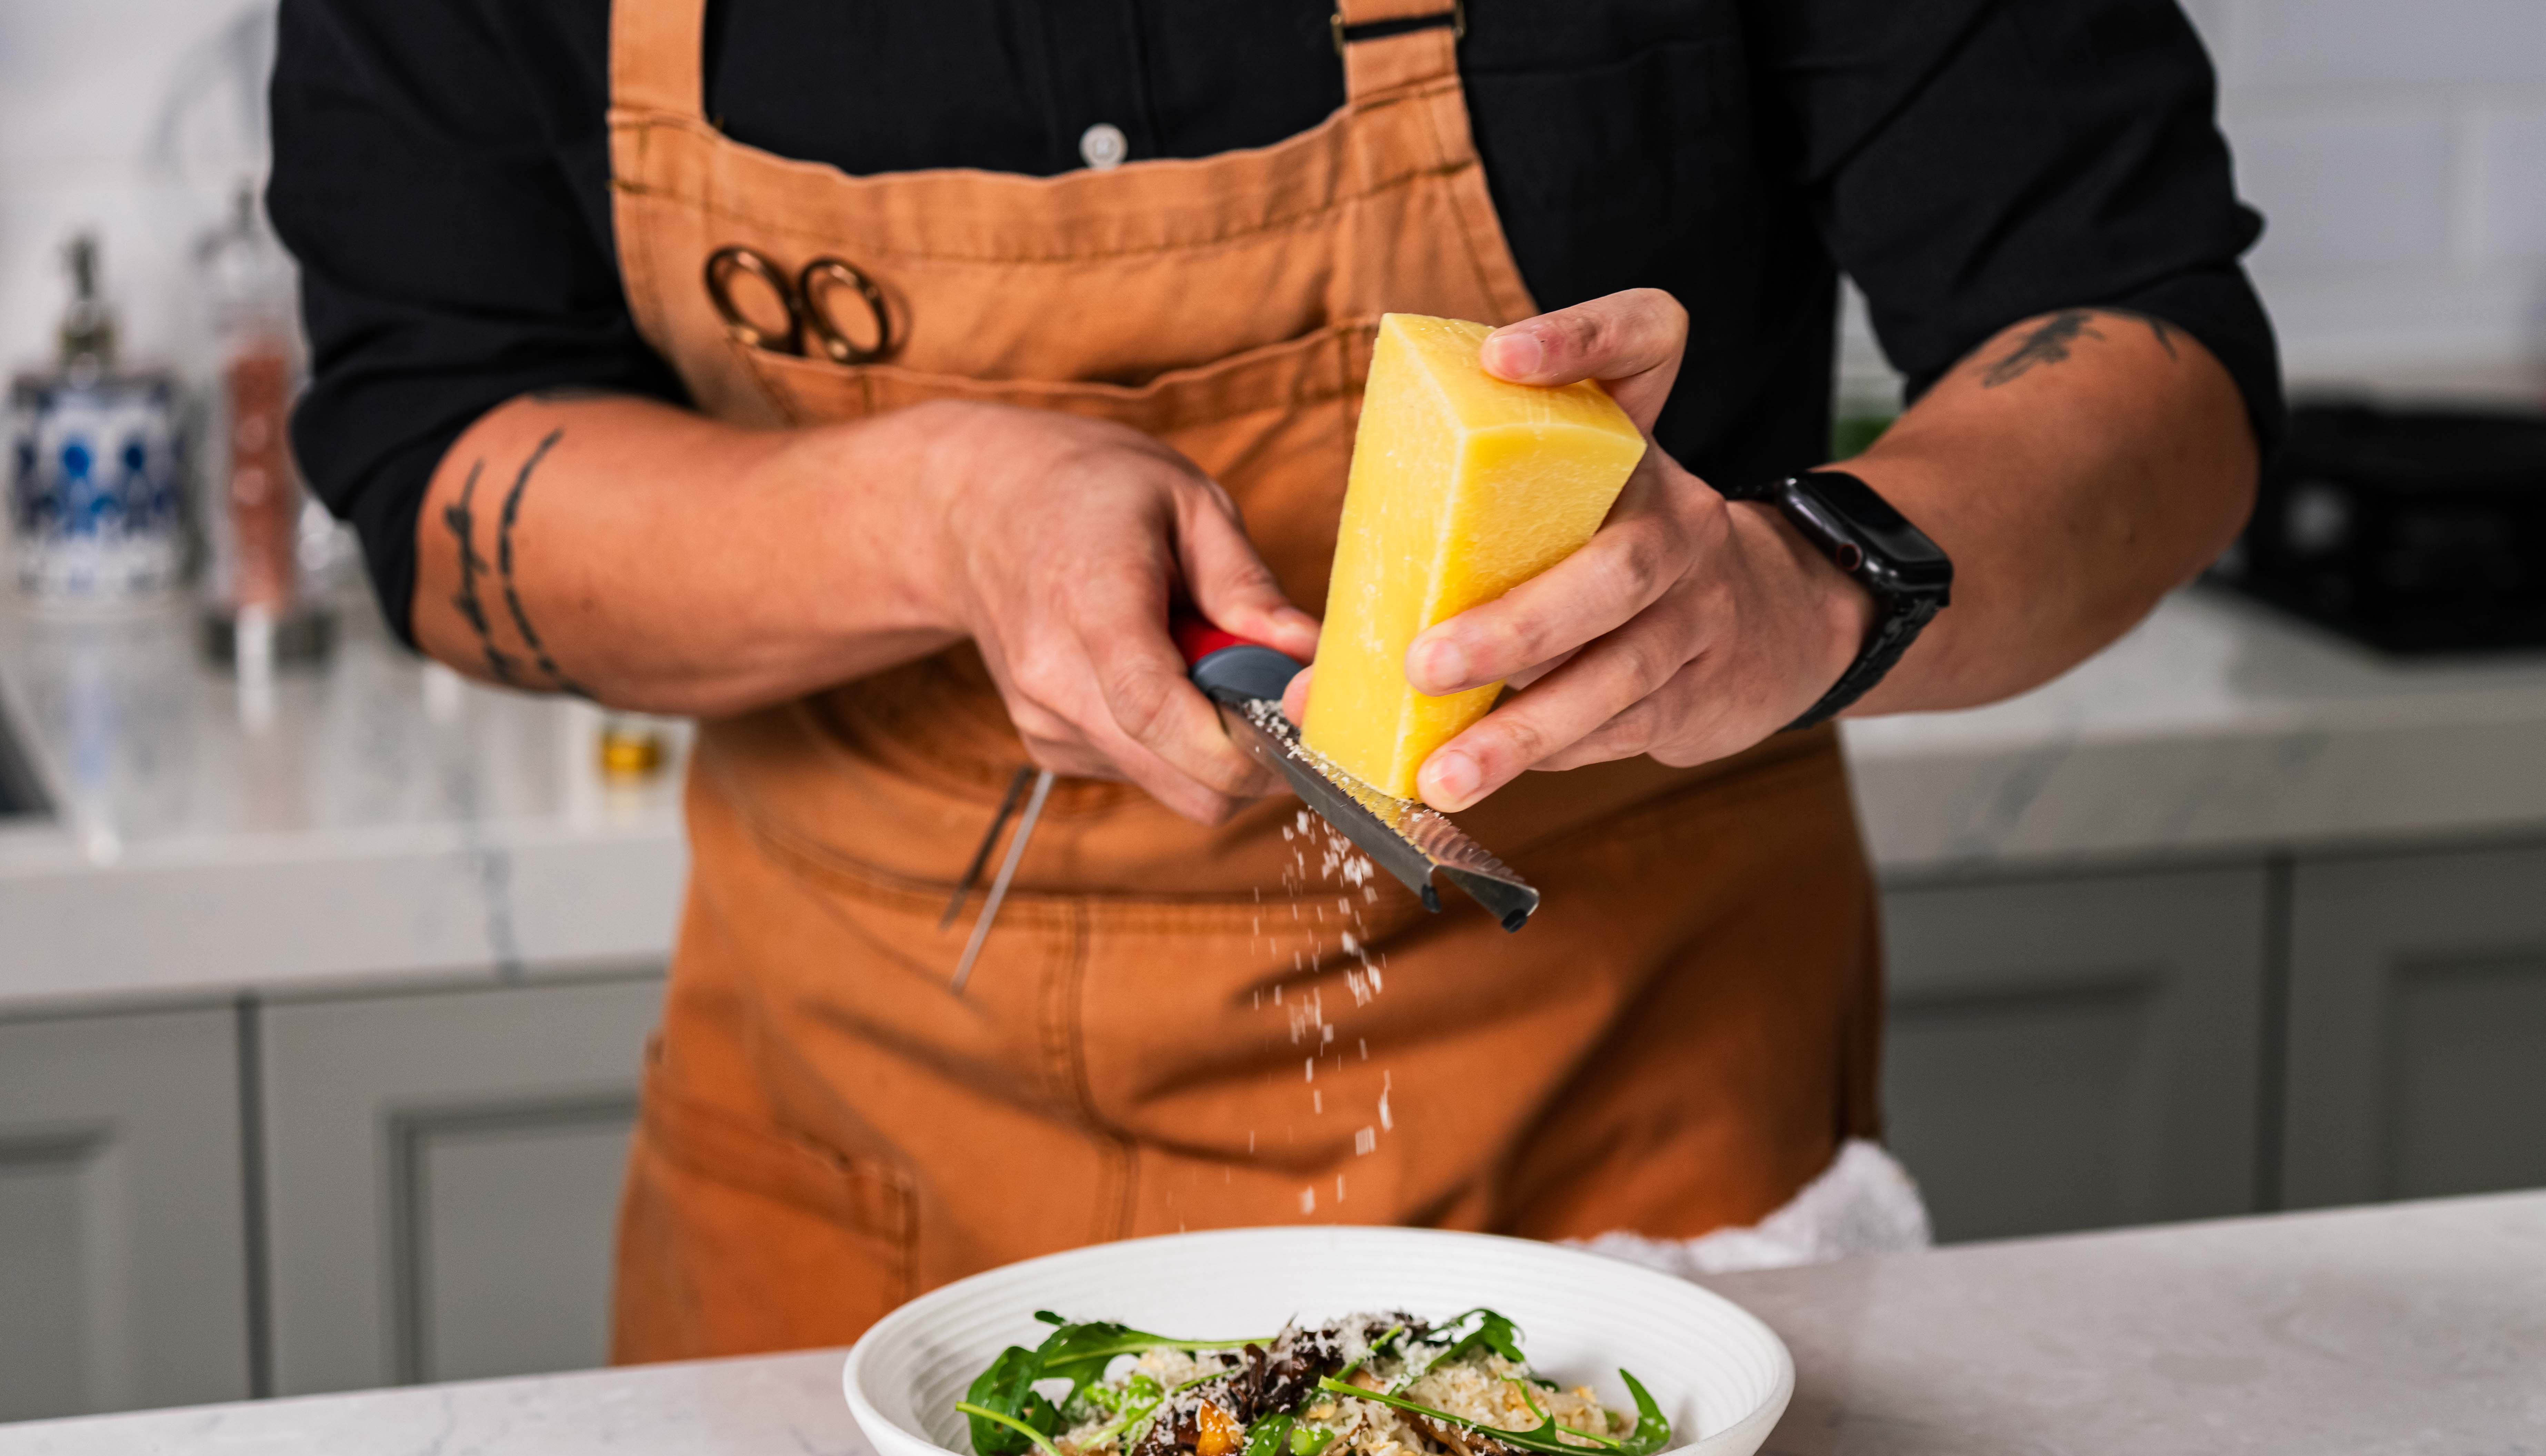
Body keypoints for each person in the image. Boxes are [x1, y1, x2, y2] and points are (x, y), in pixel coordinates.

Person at [270, 0, 2279, 1358]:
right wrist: (940, 512)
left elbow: (2146, 355)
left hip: (1627, 1171)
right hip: (855, 1183)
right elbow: (435, 455)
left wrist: (1809, 581)